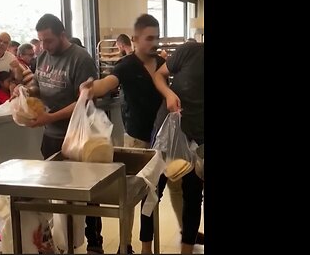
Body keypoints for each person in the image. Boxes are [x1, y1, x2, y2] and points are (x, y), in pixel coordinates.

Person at [12, 13, 103, 254]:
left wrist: (50, 117)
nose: (44, 46)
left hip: (79, 138)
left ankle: (94, 243)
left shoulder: (80, 59)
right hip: (51, 137)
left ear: (62, 35)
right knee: (57, 192)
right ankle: (64, 241)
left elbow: (84, 101)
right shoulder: (42, 56)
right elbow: (39, 86)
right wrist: (26, 92)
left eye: (49, 40)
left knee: (86, 193)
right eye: (41, 41)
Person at [80, 14, 165, 254]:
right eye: (149, 38)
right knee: (129, 195)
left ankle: (147, 246)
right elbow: (108, 83)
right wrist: (91, 88)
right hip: (137, 139)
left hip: (160, 138)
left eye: (156, 38)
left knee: (152, 195)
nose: (153, 43)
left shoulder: (160, 64)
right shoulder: (126, 66)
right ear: (136, 39)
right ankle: (124, 244)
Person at [150, 42, 204, 254]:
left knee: (193, 196)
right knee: (152, 190)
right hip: (168, 132)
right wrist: (168, 94)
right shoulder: (191, 51)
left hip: (198, 139)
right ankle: (146, 249)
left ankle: (187, 250)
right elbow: (158, 75)